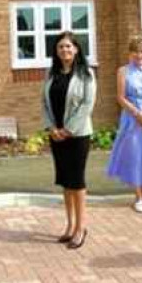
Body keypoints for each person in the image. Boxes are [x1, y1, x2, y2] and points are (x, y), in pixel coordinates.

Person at [42, 31, 96, 249]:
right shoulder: (51, 73)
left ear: (76, 49)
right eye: (61, 47)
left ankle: (81, 227)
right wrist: (52, 128)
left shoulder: (86, 74)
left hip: (78, 135)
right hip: (56, 135)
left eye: (68, 46)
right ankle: (70, 225)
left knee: (77, 181)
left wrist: (68, 130)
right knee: (65, 181)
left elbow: (87, 105)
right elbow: (43, 103)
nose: (65, 50)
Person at [106, 34, 142, 212]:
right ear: (130, 53)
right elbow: (120, 97)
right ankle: (138, 196)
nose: (140, 55)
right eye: (136, 52)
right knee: (136, 155)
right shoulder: (123, 71)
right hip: (132, 118)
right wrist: (137, 114)